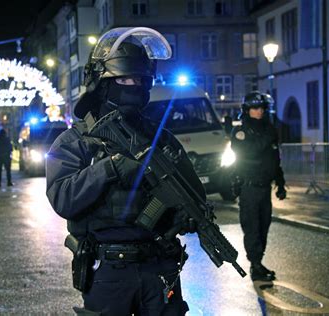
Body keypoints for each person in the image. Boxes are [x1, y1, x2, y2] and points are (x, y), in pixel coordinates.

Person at [46, 27, 207, 315]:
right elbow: (63, 198)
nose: (133, 86)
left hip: (161, 265)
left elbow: (194, 195)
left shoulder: (162, 139)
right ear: (102, 84)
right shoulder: (75, 142)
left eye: (140, 81)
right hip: (108, 269)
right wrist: (112, 168)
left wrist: (188, 216)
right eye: (124, 79)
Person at [230, 91, 287, 282]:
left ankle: (258, 261)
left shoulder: (267, 130)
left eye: (262, 107)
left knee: (264, 227)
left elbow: (274, 160)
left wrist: (280, 183)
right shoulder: (241, 132)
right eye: (255, 108)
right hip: (249, 187)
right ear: (247, 110)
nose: (259, 111)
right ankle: (255, 264)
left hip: (264, 188)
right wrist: (269, 137)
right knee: (252, 227)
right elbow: (251, 153)